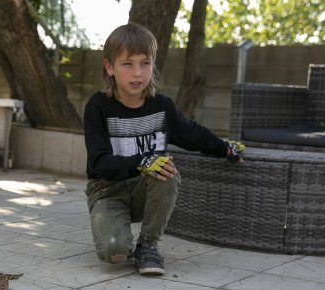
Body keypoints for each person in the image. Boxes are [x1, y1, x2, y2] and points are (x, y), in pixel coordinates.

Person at [83, 23, 245, 276]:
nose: (137, 73)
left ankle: (148, 246)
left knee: (166, 170)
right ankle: (118, 232)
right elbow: (99, 162)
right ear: (109, 67)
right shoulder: (98, 106)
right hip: (107, 191)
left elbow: (193, 135)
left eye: (145, 63)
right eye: (128, 64)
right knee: (114, 253)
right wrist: (141, 161)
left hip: (146, 190)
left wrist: (225, 149)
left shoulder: (162, 106)